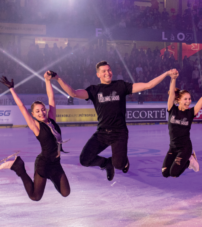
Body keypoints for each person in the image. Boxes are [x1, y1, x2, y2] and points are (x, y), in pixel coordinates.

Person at [55, 60, 177, 181]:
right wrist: (57, 78)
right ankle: (107, 163)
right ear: (98, 74)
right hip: (102, 133)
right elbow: (74, 93)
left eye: (109, 70)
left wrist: (166, 74)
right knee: (84, 159)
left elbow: (148, 85)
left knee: (119, 165)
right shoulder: (94, 90)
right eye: (104, 71)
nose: (107, 73)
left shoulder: (120, 86)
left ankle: (123, 161)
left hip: (119, 133)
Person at [0, 71, 70, 201]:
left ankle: (50, 176)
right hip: (43, 163)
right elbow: (21, 106)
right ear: (33, 114)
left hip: (55, 164)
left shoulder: (52, 119)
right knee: (35, 196)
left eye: (43, 109)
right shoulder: (36, 126)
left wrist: (47, 80)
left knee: (65, 192)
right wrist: (11, 89)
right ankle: (18, 167)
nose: (41, 112)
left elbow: (51, 98)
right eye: (37, 111)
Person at [163, 75, 202, 178]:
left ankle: (190, 161)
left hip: (185, 148)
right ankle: (188, 160)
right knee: (165, 173)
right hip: (173, 148)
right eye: (185, 99)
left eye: (190, 99)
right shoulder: (172, 109)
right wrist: (173, 78)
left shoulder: (191, 113)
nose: (189, 101)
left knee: (174, 173)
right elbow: (171, 93)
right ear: (179, 99)